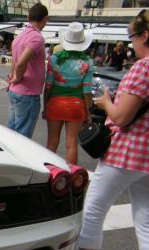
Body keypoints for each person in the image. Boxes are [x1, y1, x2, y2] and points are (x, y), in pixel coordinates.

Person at [71, 9, 149, 250]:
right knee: (146, 218)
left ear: (145, 35)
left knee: (94, 207)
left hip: (127, 152)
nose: (131, 43)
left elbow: (121, 117)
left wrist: (105, 103)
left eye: (133, 37)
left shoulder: (144, 67)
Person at [43, 22, 94, 165]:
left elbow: (48, 86)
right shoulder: (87, 62)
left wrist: (45, 105)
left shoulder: (54, 59)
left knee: (52, 142)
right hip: (76, 106)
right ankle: (72, 176)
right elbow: (87, 91)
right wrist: (88, 112)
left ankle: (49, 173)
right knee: (71, 144)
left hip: (55, 104)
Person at [6, 3, 48, 138]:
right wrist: (18, 76)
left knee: (12, 132)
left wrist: (13, 77)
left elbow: (15, 61)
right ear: (45, 19)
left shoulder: (20, 36)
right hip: (28, 93)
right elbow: (20, 62)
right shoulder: (36, 37)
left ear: (28, 17)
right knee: (23, 136)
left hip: (16, 90)